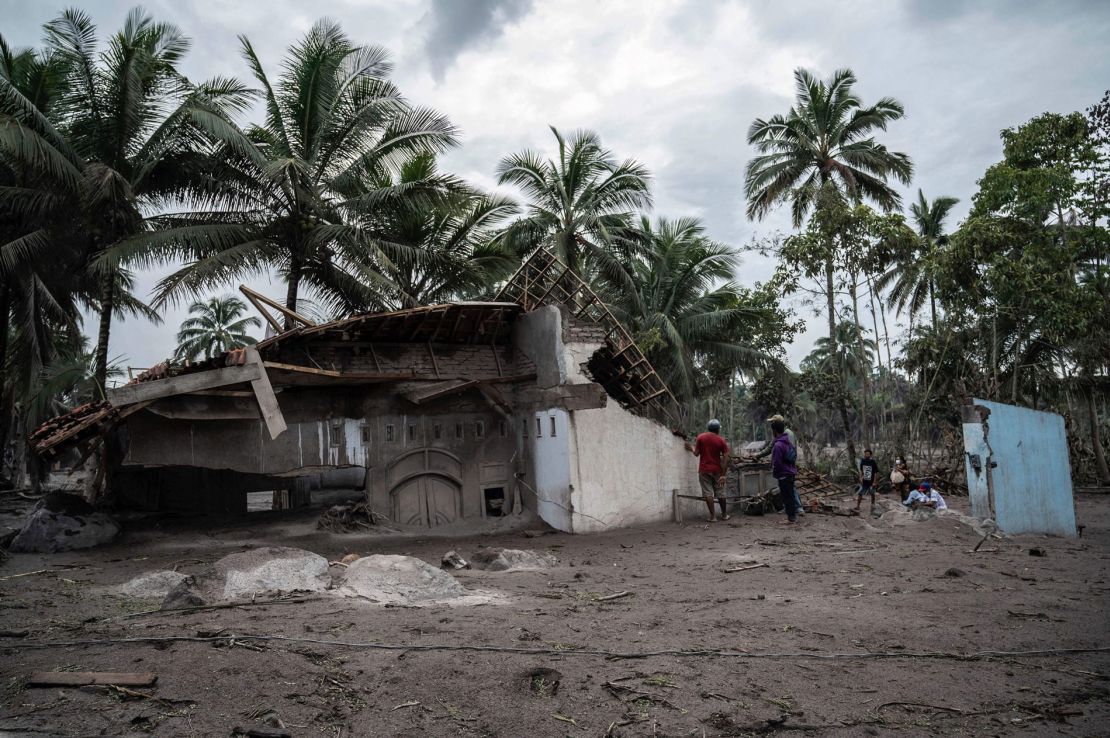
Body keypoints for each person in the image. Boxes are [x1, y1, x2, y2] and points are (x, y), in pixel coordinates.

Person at [750, 414, 803, 515]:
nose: (771, 424)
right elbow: (770, 447)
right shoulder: (780, 434)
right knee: (785, 487)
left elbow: (789, 451)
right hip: (785, 465)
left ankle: (798, 508)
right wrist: (757, 455)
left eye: (772, 422)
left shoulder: (787, 434)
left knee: (790, 488)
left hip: (786, 465)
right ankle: (789, 508)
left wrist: (778, 466)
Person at [686, 419, 730, 522]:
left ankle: (713, 517)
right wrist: (723, 475)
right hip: (717, 470)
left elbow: (696, 453)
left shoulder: (701, 437)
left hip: (704, 470)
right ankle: (724, 515)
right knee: (720, 492)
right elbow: (726, 458)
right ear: (718, 429)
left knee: (708, 493)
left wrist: (691, 448)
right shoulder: (721, 440)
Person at [770, 419, 799, 524]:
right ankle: (791, 516)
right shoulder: (788, 442)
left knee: (787, 497)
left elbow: (777, 462)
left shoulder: (778, 445)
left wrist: (776, 473)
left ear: (774, 431)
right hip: (791, 472)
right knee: (790, 495)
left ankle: (791, 518)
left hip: (784, 474)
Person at [855, 448, 879, 514]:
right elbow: (861, 471)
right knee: (860, 493)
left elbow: (876, 472)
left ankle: (873, 506)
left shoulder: (873, 462)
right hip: (864, 481)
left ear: (870, 455)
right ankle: (858, 506)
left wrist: (874, 481)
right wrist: (860, 477)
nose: (866, 455)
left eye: (868, 454)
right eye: (865, 454)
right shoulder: (862, 461)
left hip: (871, 481)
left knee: (872, 494)